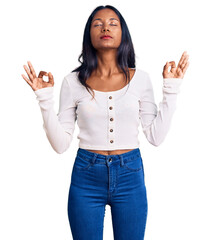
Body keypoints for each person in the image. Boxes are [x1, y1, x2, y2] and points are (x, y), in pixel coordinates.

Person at [21, 5, 189, 240]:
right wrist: (44, 98)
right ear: (89, 34)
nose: (105, 27)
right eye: (97, 23)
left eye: (113, 22)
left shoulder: (141, 80)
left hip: (130, 174)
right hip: (86, 176)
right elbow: (60, 145)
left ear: (123, 33)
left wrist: (171, 89)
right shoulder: (72, 82)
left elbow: (156, 137)